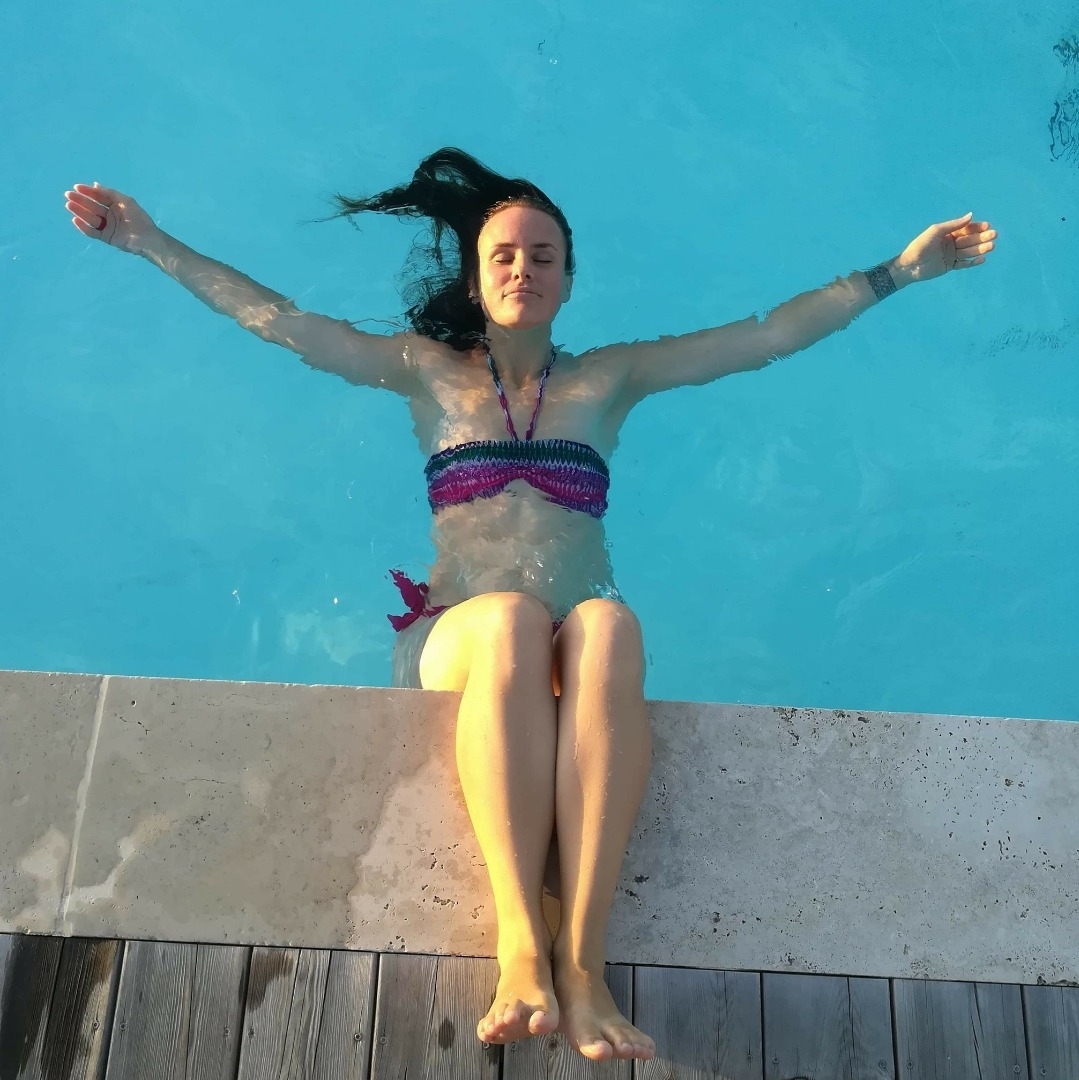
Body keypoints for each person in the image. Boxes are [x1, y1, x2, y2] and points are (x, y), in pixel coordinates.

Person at [64, 149, 996, 1062]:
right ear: (476, 279)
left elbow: (761, 336)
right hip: (459, 638)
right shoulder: (424, 371)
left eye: (542, 256)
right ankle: (519, 951)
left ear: (568, 279)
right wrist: (149, 240)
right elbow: (280, 321)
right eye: (503, 255)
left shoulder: (609, 379)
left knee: (609, 622)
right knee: (511, 615)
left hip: (567, 644)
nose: (523, 269)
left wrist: (899, 271)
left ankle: (582, 968)